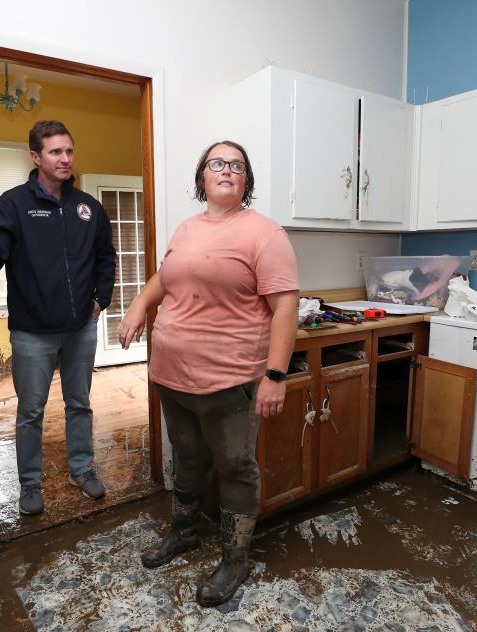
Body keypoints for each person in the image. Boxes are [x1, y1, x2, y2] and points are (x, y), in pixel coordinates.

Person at [118, 140, 300, 607]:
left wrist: (275, 375)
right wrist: (140, 302)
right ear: (202, 177)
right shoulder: (186, 228)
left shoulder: (265, 234)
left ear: (246, 181)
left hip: (230, 380)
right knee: (188, 457)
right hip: (172, 376)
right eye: (217, 163)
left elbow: (285, 308)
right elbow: (167, 276)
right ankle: (183, 534)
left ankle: (235, 559)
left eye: (237, 165)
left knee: (236, 468)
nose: (227, 170)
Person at [0, 120, 116, 515]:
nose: (65, 159)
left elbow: (105, 256)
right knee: (31, 411)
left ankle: (81, 469)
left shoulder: (88, 208)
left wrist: (102, 297)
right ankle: (29, 483)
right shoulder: (12, 205)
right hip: (33, 331)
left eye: (69, 151)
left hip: (81, 326)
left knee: (79, 402)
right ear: (35, 156)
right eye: (55, 152)